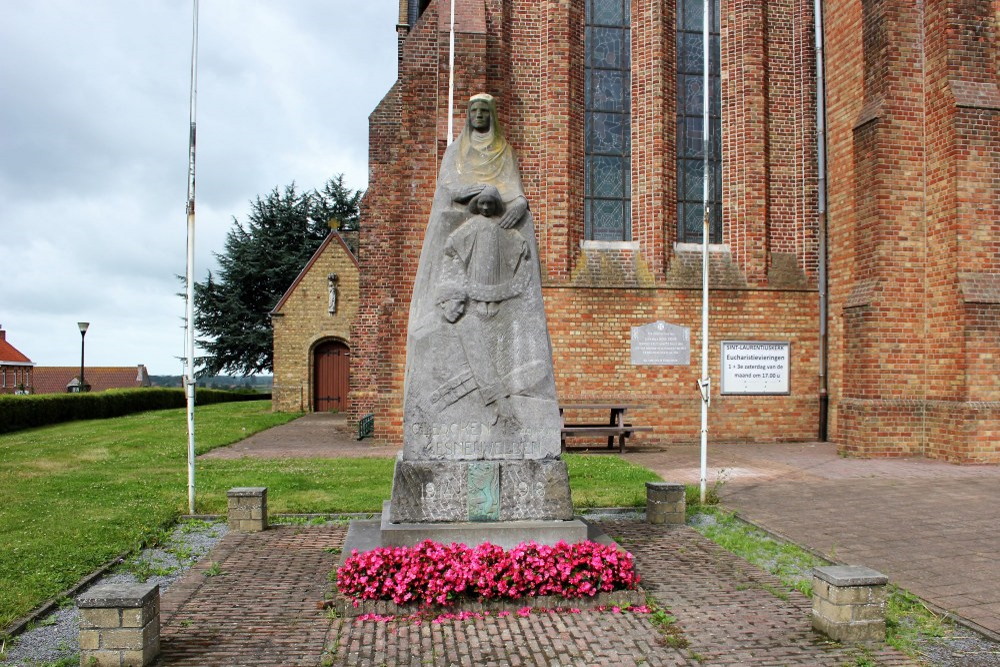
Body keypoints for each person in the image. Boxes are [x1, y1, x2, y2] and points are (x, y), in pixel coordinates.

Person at [402, 93, 562, 460]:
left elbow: (515, 192)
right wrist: (479, 193)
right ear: (467, 116)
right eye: (472, 111)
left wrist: (517, 203)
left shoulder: (503, 151)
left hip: (502, 288)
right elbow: (450, 189)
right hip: (462, 274)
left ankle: (509, 412)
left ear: (491, 116)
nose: (478, 116)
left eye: (483, 111)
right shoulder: (456, 153)